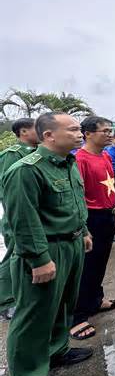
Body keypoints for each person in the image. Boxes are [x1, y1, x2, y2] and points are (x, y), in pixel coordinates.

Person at [2, 112, 93, 376]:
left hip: (72, 243)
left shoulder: (68, 163)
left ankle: (56, 351)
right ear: (49, 135)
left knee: (63, 304)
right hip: (46, 249)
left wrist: (84, 231)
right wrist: (38, 258)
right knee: (34, 312)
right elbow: (23, 220)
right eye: (73, 129)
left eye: (80, 129)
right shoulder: (26, 170)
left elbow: (75, 203)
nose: (80, 134)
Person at [72, 116, 115, 340]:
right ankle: (78, 313)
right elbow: (77, 197)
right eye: (105, 130)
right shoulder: (79, 160)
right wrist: (83, 228)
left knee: (100, 262)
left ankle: (96, 299)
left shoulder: (104, 156)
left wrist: (114, 212)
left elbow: (109, 189)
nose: (110, 134)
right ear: (88, 134)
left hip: (107, 215)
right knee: (86, 267)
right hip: (90, 218)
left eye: (111, 130)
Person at [0, 118, 39, 321]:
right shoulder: (12, 155)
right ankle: (6, 302)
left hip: (34, 215)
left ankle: (24, 297)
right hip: (17, 217)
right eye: (35, 128)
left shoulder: (37, 153)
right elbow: (8, 191)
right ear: (23, 131)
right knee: (14, 258)